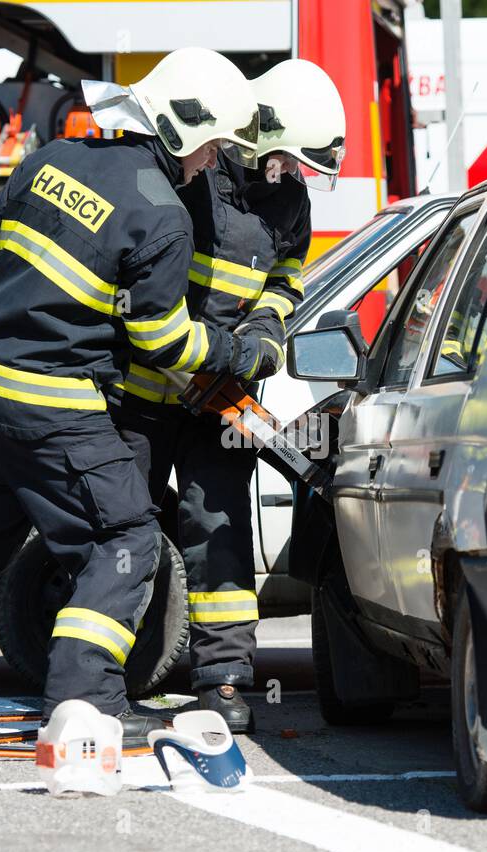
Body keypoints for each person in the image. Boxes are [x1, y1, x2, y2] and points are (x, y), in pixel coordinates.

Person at [0, 48, 268, 745]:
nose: (212, 163)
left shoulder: (49, 158)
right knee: (125, 537)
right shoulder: (164, 216)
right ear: (180, 131)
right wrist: (236, 351)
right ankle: (87, 703)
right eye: (211, 148)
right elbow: (163, 343)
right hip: (55, 405)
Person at [109, 59, 346, 732]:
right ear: (252, 135)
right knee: (123, 531)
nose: (290, 172)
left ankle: (224, 684)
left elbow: (285, 281)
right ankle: (107, 684)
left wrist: (263, 337)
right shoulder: (194, 175)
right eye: (285, 158)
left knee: (220, 532)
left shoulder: (290, 202)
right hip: (144, 394)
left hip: (222, 398)